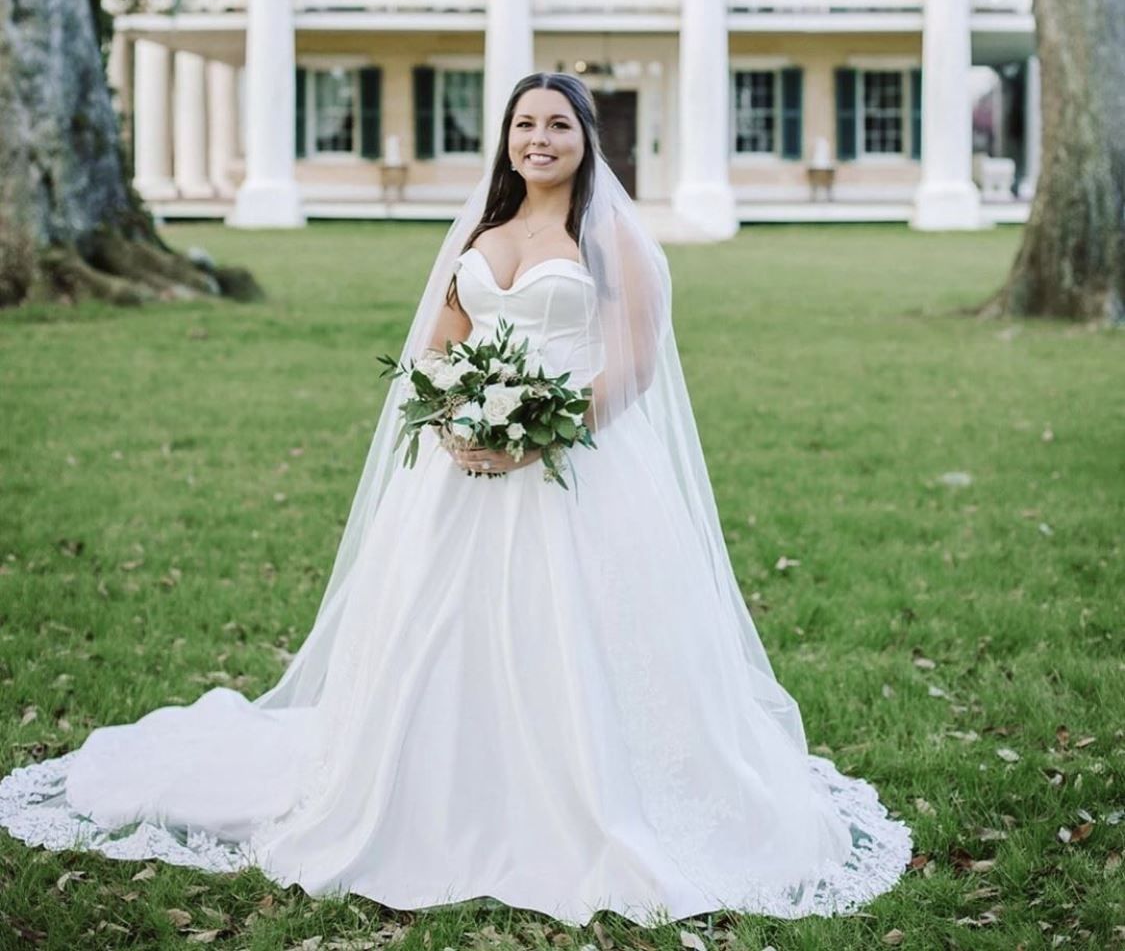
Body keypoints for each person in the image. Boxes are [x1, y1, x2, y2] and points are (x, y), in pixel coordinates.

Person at [0, 72, 912, 926]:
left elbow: (632, 363)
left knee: (574, 640)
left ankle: (587, 795)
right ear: (506, 141)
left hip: (576, 473)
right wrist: (449, 420)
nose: (539, 138)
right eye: (524, 124)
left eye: (558, 124)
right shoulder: (481, 234)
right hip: (460, 473)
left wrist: (543, 434)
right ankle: (423, 789)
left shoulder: (612, 238)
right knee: (435, 631)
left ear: (587, 141)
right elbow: (438, 343)